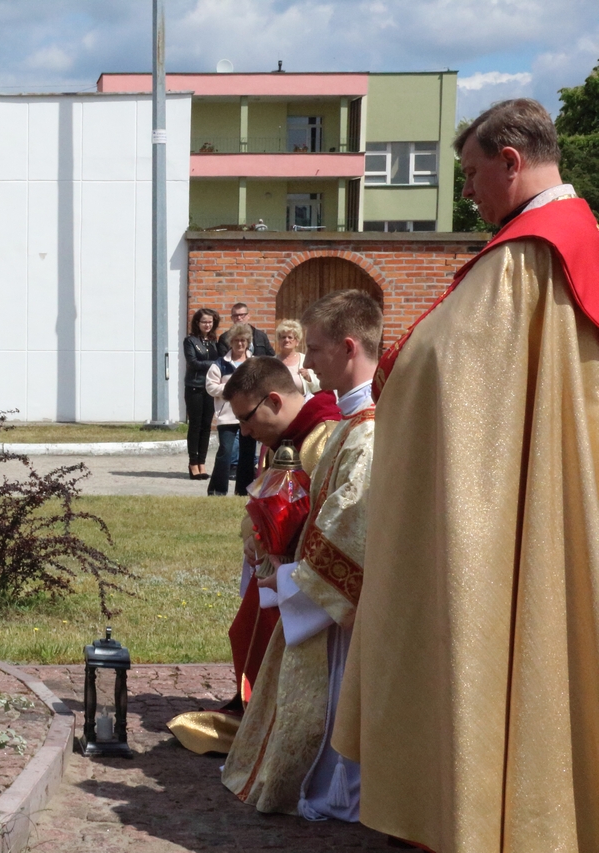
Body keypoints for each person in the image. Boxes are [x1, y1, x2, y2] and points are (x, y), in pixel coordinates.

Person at [332, 99, 599, 853]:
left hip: (502, 505)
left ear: (511, 162)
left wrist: (393, 371)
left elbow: (437, 367)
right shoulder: (579, 236)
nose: (469, 193)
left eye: (473, 174)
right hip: (555, 494)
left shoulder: (526, 256)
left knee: (485, 629)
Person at [221, 290, 380, 819]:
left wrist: (293, 580)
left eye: (313, 348)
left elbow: (352, 525)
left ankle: (342, 795)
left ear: (348, 347)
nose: (306, 363)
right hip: (317, 589)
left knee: (340, 702)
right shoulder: (350, 425)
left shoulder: (366, 430)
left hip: (347, 604)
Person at [167, 357, 340, 755]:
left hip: (303, 582)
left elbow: (329, 519)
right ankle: (260, 711)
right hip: (276, 574)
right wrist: (255, 535)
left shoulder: (324, 437)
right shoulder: (285, 439)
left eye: (246, 418)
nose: (244, 431)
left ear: (274, 401)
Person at [205, 324, 256, 496]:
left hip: (249, 416)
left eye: (243, 341)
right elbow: (210, 387)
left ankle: (243, 491)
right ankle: (217, 490)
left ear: (248, 342)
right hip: (227, 416)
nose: (240, 344)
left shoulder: (254, 363)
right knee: (225, 452)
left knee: (247, 454)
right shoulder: (220, 364)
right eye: (236, 340)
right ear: (230, 342)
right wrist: (229, 389)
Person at [183, 308, 220, 480]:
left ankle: (202, 463)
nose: (207, 325)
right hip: (195, 386)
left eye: (210, 322)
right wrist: (215, 364)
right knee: (195, 425)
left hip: (210, 388)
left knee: (206, 426)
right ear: (197, 323)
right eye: (204, 321)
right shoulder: (190, 341)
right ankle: (193, 463)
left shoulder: (214, 341)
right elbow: (193, 362)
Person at [274, 319, 319, 395]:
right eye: (283, 337)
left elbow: (320, 386)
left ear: (297, 341)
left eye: (290, 337)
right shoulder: (272, 362)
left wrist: (308, 377)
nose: (286, 340)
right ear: (279, 340)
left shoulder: (306, 360)